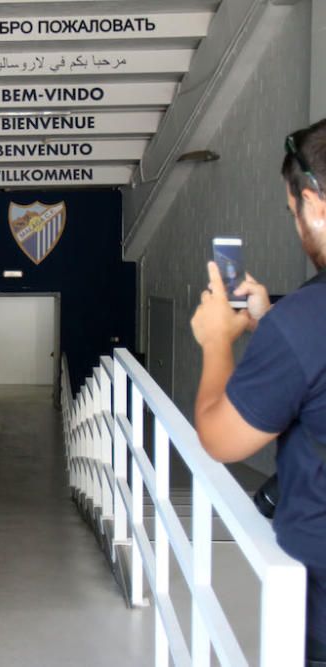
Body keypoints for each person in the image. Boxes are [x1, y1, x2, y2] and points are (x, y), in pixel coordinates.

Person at [191, 119, 326, 665]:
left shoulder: (304, 324)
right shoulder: (295, 325)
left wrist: (218, 341)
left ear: (314, 202)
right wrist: (272, 322)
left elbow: (222, 438)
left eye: (292, 209)